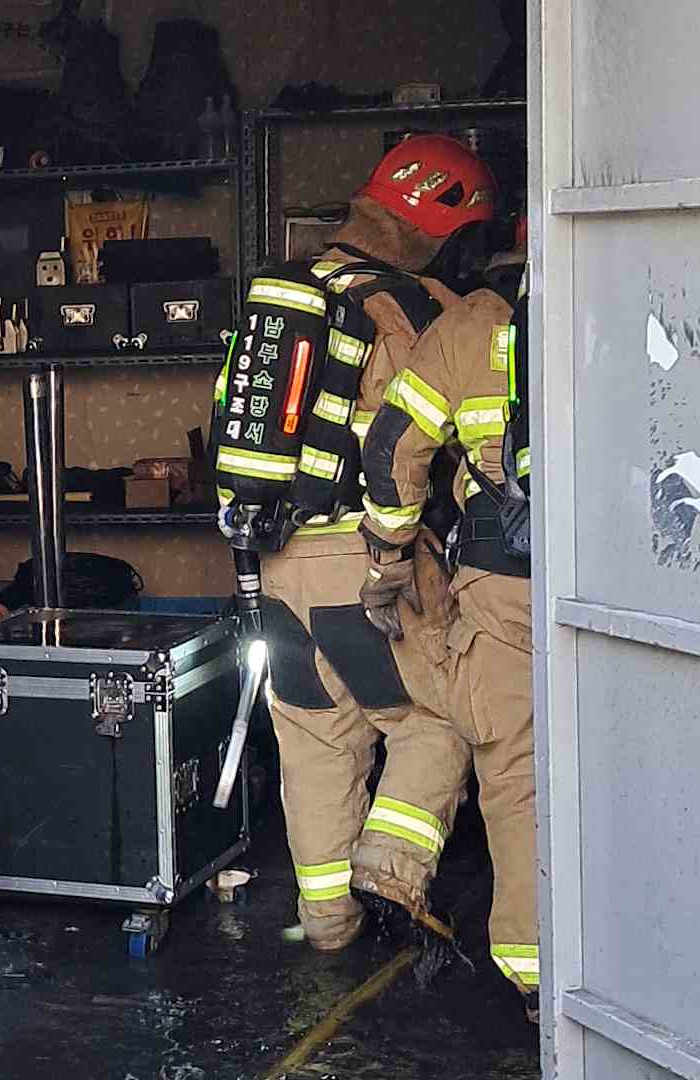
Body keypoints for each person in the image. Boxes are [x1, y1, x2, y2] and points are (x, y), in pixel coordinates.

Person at [218, 135, 500, 950]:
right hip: (374, 562)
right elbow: (434, 445)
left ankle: (326, 923)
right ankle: (391, 868)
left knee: (314, 744)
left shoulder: (282, 301)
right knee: (443, 716)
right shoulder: (421, 308)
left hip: (276, 568)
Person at [355, 229, 536, 1012]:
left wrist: (390, 558)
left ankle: (539, 981)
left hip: (505, 585)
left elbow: (392, 447)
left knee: (520, 780)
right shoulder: (627, 299)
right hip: (626, 584)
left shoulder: (470, 326)